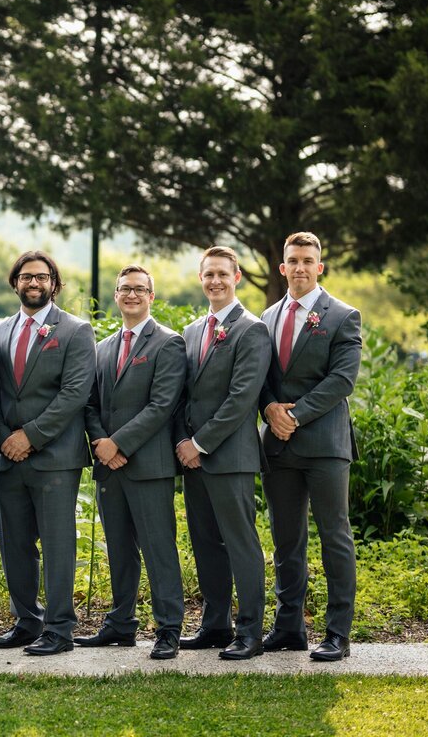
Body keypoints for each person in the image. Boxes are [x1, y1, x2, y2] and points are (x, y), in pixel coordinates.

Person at [0, 250, 95, 657]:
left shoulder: (75, 331)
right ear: (15, 282)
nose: (34, 283)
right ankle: (26, 621)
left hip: (55, 457)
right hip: (7, 457)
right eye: (27, 277)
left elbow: (74, 394)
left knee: (57, 543)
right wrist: (3, 437)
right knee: (14, 543)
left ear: (54, 283)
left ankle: (60, 627)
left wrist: (29, 436)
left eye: (42, 277)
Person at [258, 232, 361, 662]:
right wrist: (267, 410)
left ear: (320, 267)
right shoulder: (265, 317)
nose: (300, 267)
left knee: (334, 535)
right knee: (286, 538)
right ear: (282, 268)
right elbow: (257, 374)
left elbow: (342, 380)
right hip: (278, 447)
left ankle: (338, 633)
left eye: (308, 260)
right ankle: (289, 626)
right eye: (292, 261)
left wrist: (292, 415)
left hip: (324, 444)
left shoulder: (342, 315)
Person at [80, 265, 185, 660]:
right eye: (125, 289)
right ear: (116, 295)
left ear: (151, 296)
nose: (132, 295)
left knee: (159, 548)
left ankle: (169, 628)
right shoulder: (103, 347)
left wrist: (119, 443)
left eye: (140, 289)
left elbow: (163, 405)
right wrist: (100, 442)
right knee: (119, 549)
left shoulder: (168, 344)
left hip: (148, 466)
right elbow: (90, 404)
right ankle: (121, 624)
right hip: (109, 466)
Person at [174, 246, 272, 660]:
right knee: (205, 543)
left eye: (222, 274)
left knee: (240, 543)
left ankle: (249, 631)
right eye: (208, 274)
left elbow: (241, 399)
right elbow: (182, 394)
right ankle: (215, 624)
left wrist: (199, 444)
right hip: (193, 459)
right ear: (201, 278)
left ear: (238, 278)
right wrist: (184, 443)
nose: (215, 281)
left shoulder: (252, 330)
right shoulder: (193, 330)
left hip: (228, 457)